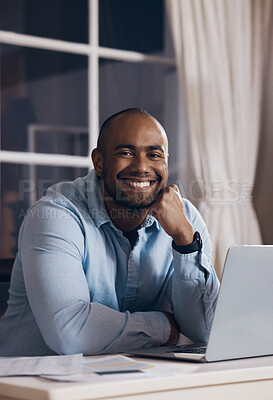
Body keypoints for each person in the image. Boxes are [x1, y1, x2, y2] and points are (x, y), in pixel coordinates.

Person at [0, 108, 219, 356]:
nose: (141, 167)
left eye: (154, 155)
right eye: (126, 153)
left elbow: (206, 329)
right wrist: (164, 328)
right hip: (27, 385)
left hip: (126, 376)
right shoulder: (54, 215)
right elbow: (70, 334)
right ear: (99, 162)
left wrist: (185, 242)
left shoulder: (185, 219)